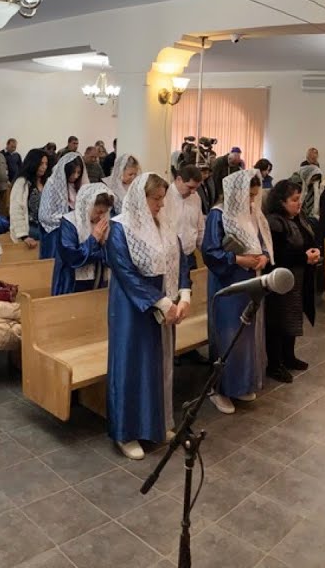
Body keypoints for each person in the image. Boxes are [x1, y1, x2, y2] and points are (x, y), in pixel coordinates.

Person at [106, 172, 192, 460]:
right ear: (140, 199)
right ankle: (126, 432)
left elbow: (181, 260)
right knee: (132, 365)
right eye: (156, 199)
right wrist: (162, 302)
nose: (161, 205)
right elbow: (126, 273)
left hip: (164, 305)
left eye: (162, 199)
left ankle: (156, 424)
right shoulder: (119, 228)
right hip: (133, 308)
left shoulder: (163, 225)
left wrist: (184, 295)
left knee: (159, 365)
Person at [203, 169, 272, 415]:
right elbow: (211, 252)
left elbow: (262, 240)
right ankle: (219, 389)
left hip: (249, 280)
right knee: (228, 334)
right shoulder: (218, 214)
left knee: (245, 334)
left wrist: (263, 257)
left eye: (255, 196)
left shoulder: (252, 212)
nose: (252, 200)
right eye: (249, 195)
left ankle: (240, 384)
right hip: (227, 282)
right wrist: (239, 259)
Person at [262, 179, 316, 382]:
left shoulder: (296, 218)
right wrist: (304, 257)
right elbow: (278, 254)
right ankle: (275, 364)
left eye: (299, 199)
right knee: (278, 321)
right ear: (281, 202)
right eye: (294, 200)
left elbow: (307, 240)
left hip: (297, 278)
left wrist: (313, 251)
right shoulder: (274, 222)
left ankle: (289, 357)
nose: (299, 203)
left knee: (292, 317)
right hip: (280, 280)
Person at [53, 183, 114, 295]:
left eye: (105, 212)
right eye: (99, 212)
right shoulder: (69, 223)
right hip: (72, 283)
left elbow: (111, 257)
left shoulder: (102, 223)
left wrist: (104, 243)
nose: (101, 217)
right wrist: (93, 239)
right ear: (87, 206)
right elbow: (72, 257)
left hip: (97, 281)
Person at [37, 151, 87, 260]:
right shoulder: (52, 185)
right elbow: (44, 216)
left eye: (78, 172)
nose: (76, 176)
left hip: (72, 233)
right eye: (73, 172)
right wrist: (69, 218)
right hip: (55, 234)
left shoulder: (77, 186)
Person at [10, 148, 50, 252]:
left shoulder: (47, 182)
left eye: (46, 164)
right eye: (41, 164)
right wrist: (23, 235)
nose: (44, 167)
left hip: (46, 226)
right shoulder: (22, 183)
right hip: (30, 227)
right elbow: (16, 209)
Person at [167, 164, 204, 266]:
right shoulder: (165, 197)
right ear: (179, 180)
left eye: (196, 188)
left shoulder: (196, 197)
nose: (193, 192)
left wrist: (204, 250)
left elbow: (200, 227)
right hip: (171, 257)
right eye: (190, 187)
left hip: (190, 255)